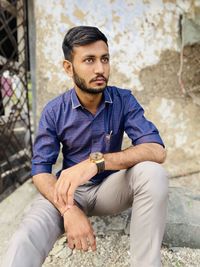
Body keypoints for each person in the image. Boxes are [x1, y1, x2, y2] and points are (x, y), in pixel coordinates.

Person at [2, 26, 168, 267]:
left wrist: (96, 163)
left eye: (105, 59)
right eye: (89, 60)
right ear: (68, 67)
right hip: (69, 192)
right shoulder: (54, 111)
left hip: (111, 188)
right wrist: (68, 210)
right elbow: (40, 171)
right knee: (25, 236)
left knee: (153, 173)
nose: (100, 69)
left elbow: (156, 150)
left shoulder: (123, 100)